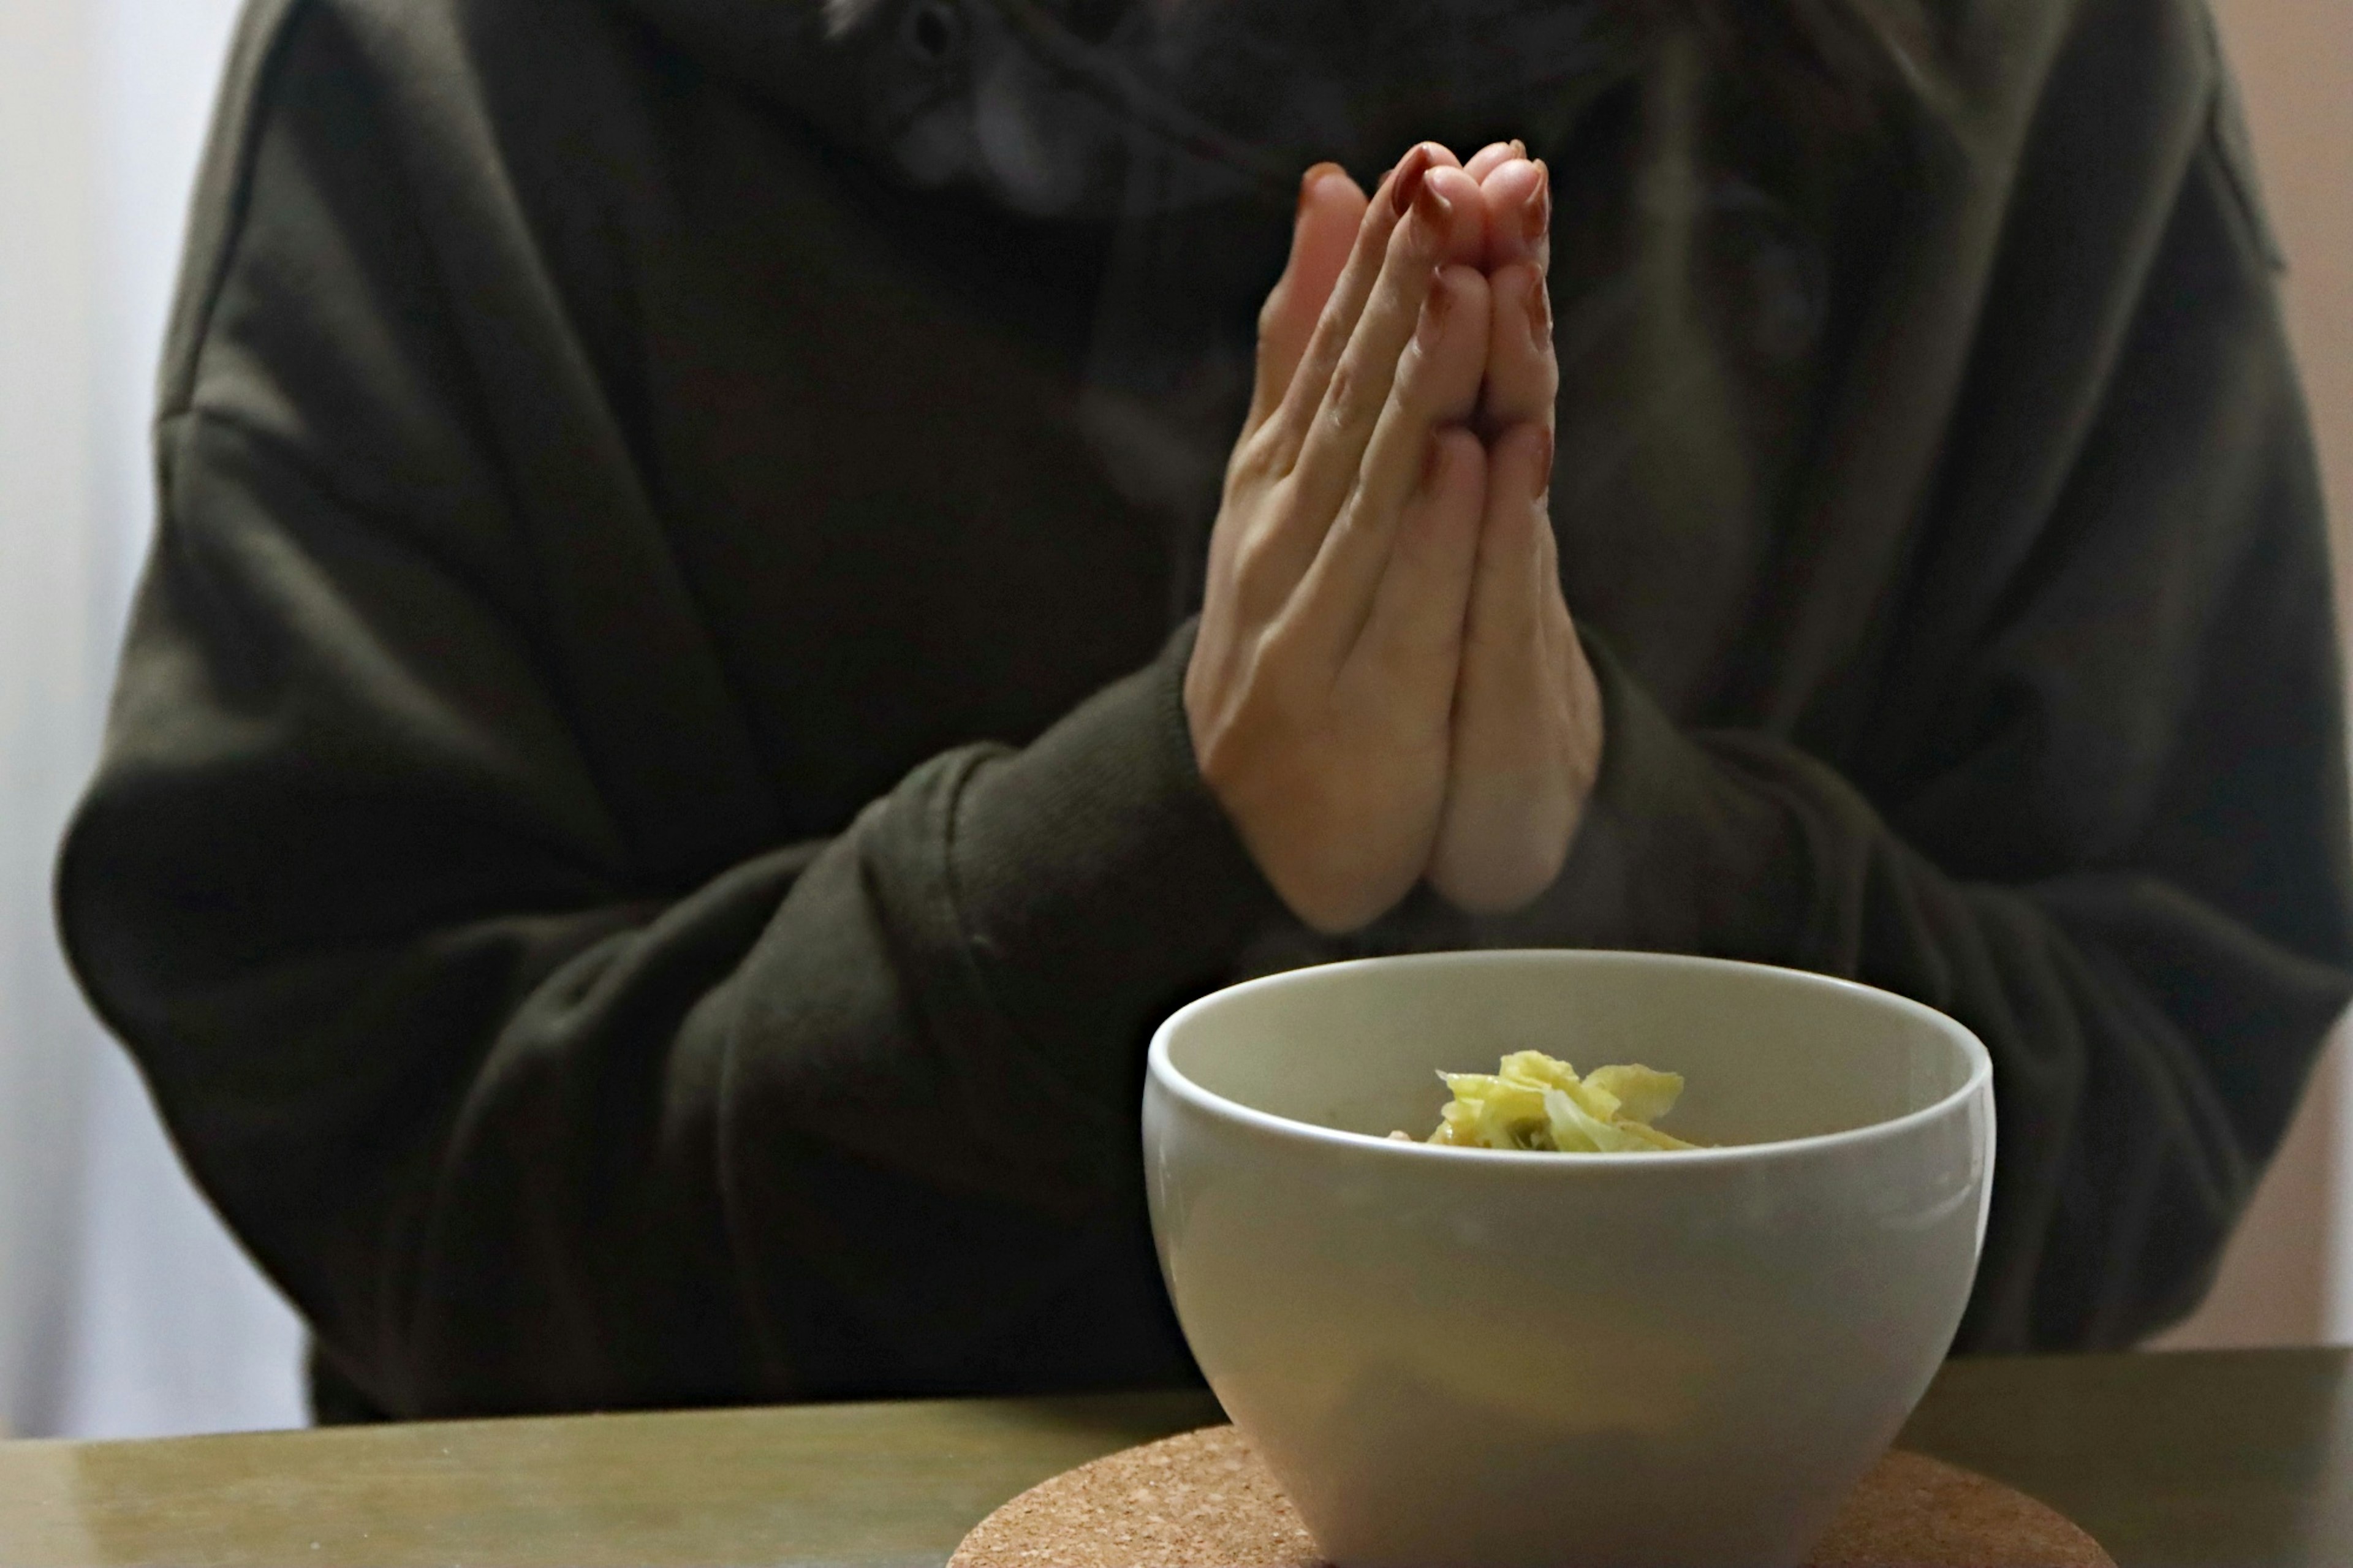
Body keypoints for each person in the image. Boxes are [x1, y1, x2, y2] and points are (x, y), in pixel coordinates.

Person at [56, 0, 2351, 1424]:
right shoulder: (460, 67)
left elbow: (2156, 1058)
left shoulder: (2023, 52)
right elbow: (387, 1158)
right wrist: (1145, 845)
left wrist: (1615, 841)